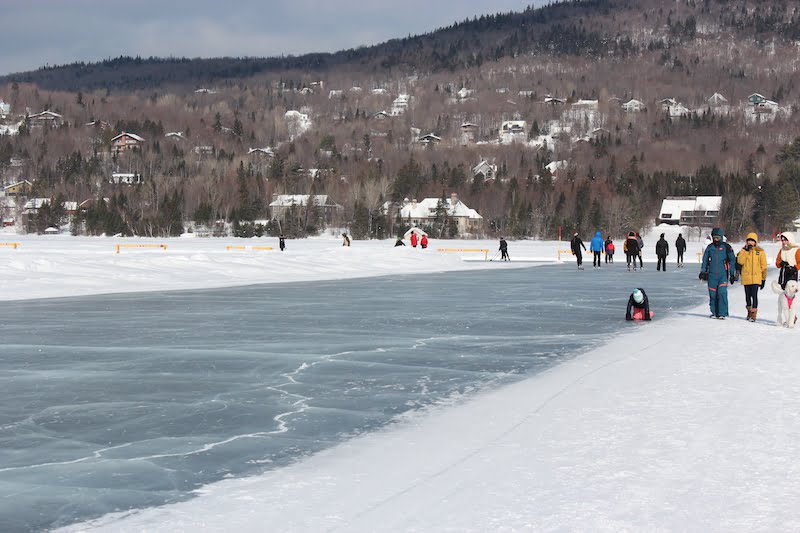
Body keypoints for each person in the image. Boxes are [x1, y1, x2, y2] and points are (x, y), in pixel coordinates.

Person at [699, 227, 736, 319]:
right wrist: (703, 271)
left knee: (722, 293)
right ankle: (714, 312)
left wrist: (732, 274)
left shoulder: (726, 247)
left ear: (721, 237)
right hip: (712, 275)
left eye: (718, 238)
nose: (716, 240)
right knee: (713, 294)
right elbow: (705, 260)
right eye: (714, 238)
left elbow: (732, 260)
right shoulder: (710, 247)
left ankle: (722, 313)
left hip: (723, 275)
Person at [736, 232, 767, 322]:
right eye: (749, 240)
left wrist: (763, 279)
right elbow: (740, 261)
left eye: (752, 241)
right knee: (747, 296)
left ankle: (753, 313)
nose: (750, 242)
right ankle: (749, 310)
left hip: (756, 277)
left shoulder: (760, 252)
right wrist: (746, 251)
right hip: (746, 277)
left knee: (754, 295)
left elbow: (763, 266)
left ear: (755, 242)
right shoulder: (743, 251)